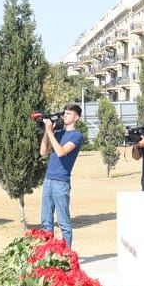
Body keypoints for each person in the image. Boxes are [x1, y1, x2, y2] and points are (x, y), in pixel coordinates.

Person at [38, 104, 83, 248]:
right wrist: (47, 131)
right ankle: (47, 253)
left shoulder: (76, 135)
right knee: (46, 221)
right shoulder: (59, 134)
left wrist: (51, 132)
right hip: (48, 180)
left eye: (69, 114)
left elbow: (61, 152)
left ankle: (67, 255)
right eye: (64, 113)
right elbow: (43, 152)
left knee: (63, 222)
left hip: (61, 182)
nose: (65, 116)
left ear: (76, 117)